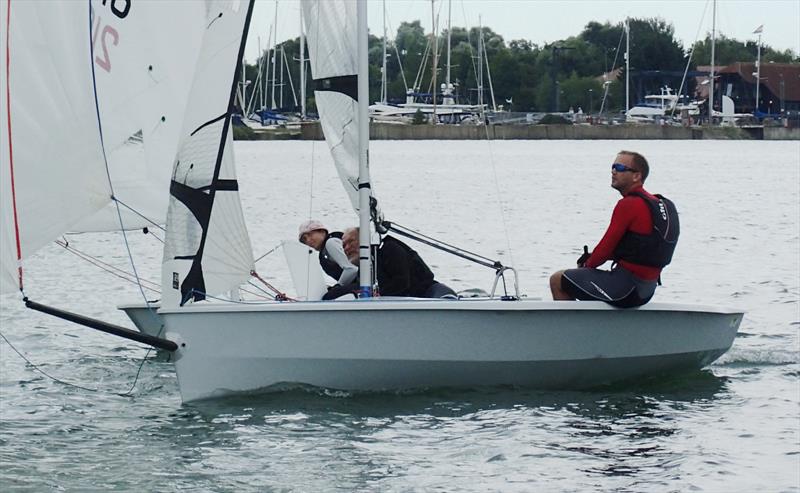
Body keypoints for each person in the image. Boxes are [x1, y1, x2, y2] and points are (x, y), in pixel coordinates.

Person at [549, 150, 679, 308]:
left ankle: (571, 332)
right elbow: (639, 249)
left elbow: (604, 249)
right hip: (647, 289)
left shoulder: (628, 204)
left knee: (558, 280)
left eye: (620, 168)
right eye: (613, 167)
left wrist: (586, 266)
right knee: (583, 280)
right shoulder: (659, 203)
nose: (613, 171)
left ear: (636, 176)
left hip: (626, 289)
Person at [342, 228, 456, 299]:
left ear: (365, 239)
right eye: (343, 246)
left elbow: (401, 282)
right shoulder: (367, 267)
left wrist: (376, 295)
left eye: (351, 241)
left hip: (429, 298)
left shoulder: (389, 249)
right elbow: (356, 287)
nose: (347, 248)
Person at [298, 220, 358, 300]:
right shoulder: (324, 252)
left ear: (322, 232)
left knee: (327, 297)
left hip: (365, 283)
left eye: (310, 235)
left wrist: (338, 286)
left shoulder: (330, 243)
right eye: (304, 239)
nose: (308, 240)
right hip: (359, 283)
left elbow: (351, 269)